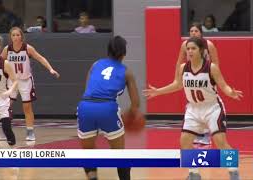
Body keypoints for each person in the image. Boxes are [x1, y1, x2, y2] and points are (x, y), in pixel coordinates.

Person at [144, 37, 242, 180]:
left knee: (220, 141)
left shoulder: (211, 67)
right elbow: (177, 85)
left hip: (212, 108)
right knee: (184, 141)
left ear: (201, 50)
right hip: (193, 109)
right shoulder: (184, 67)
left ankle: (234, 171)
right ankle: (194, 174)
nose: (189, 51)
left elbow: (223, 86)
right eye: (188, 49)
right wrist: (158, 91)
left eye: (193, 48)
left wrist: (231, 93)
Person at [77, 36, 140, 180]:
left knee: (88, 152)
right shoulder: (126, 72)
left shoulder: (95, 64)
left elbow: (87, 91)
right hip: (107, 108)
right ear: (124, 53)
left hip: (85, 107)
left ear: (108, 51)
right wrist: (129, 115)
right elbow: (136, 104)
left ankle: (93, 177)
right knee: (119, 155)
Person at [0, 27, 60, 141]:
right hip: (12, 81)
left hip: (25, 81)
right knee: (6, 106)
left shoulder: (27, 48)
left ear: (21, 36)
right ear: (10, 37)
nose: (16, 37)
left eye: (18, 35)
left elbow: (41, 58)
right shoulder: (7, 49)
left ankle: (30, 131)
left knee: (27, 107)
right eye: (13, 35)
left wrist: (50, 69)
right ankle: (5, 130)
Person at [176, 22, 219, 145]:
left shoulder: (209, 45)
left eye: (196, 31)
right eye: (191, 31)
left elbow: (216, 62)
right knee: (194, 103)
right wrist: (176, 78)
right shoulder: (185, 44)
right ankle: (196, 133)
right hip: (192, 75)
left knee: (207, 106)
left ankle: (207, 134)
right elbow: (179, 62)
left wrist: (214, 78)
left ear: (201, 33)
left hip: (205, 76)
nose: (193, 33)